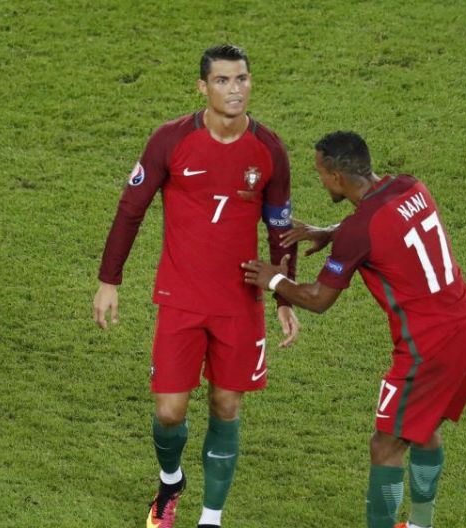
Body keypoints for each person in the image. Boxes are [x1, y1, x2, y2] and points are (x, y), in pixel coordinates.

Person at [92, 44, 299, 528]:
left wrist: (284, 294)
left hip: (239, 301)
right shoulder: (170, 140)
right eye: (223, 80)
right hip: (181, 298)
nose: (235, 89)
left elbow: (280, 226)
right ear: (202, 87)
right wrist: (109, 280)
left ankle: (211, 517)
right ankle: (171, 482)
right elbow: (131, 209)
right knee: (169, 411)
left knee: (226, 405)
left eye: (242, 79)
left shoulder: (269, 149)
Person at [241, 131, 466, 528]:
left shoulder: (360, 230)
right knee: (422, 428)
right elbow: (383, 220)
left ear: (338, 176)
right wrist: (331, 232)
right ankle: (421, 524)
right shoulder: (409, 185)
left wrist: (273, 280)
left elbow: (318, 299)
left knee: (385, 446)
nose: (320, 180)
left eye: (321, 173)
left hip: (429, 348)